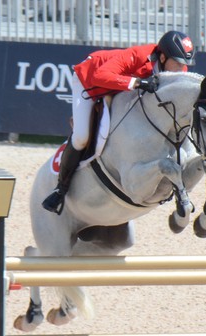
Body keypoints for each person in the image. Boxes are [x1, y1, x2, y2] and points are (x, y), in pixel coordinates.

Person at [42, 30, 196, 215]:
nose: (182, 69)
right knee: (82, 136)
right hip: (90, 82)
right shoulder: (138, 56)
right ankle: (61, 188)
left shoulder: (178, 70)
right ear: (162, 57)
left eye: (185, 64)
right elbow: (100, 75)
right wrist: (138, 83)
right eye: (178, 64)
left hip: (122, 87)